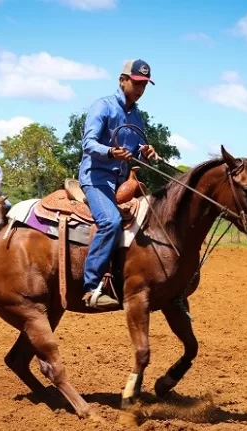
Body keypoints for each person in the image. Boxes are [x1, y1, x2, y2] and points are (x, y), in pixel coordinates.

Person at [78, 59, 159, 310]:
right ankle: (90, 286)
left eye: (144, 84)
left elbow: (134, 151)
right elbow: (88, 144)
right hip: (96, 178)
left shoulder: (137, 116)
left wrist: (145, 153)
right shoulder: (102, 106)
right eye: (136, 83)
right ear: (122, 80)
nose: (140, 89)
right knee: (110, 221)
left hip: (121, 182)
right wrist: (111, 152)